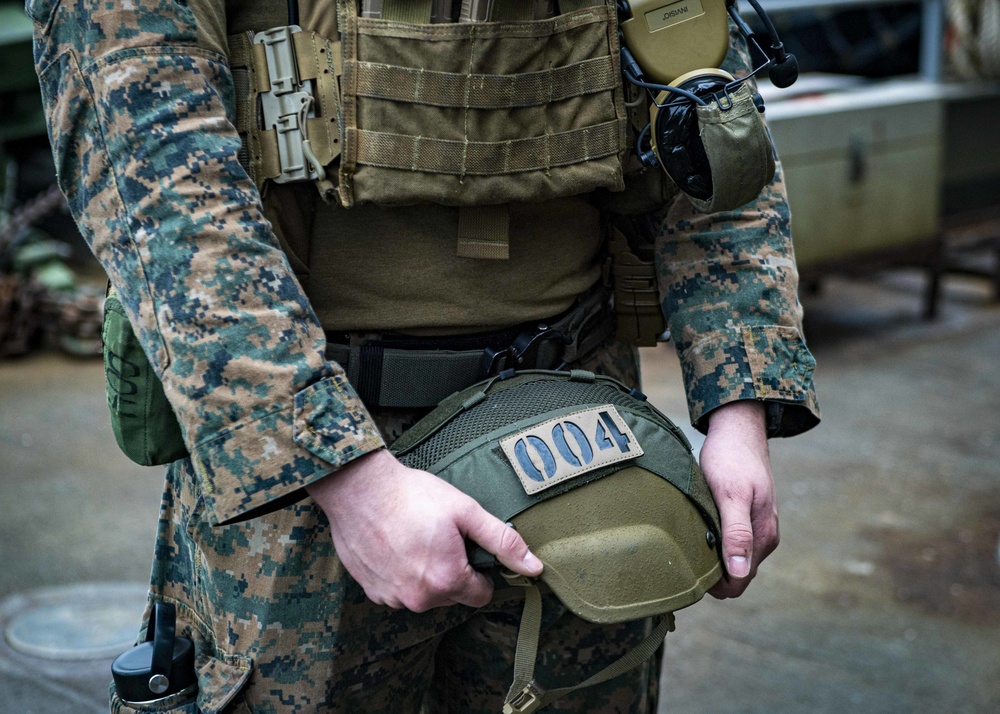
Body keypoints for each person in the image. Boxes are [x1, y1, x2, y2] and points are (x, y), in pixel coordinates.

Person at [30, 0, 819, 711]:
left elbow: (704, 102)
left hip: (591, 430)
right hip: (317, 473)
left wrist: (740, 404)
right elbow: (153, 164)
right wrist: (345, 478)